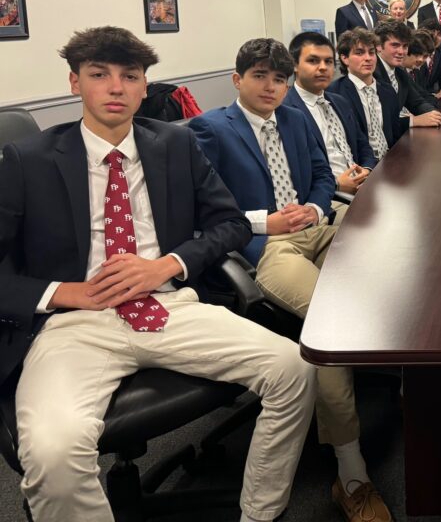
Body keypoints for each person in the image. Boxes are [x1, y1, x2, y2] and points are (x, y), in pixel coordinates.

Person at [0, 26, 315, 522]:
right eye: (99, 75)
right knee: (53, 453)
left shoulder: (175, 143)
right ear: (74, 82)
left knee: (295, 368)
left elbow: (230, 223)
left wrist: (167, 265)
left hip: (168, 305)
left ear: (145, 87)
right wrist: (65, 292)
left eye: (130, 76)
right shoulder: (29, 160)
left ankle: (259, 513)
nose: (115, 87)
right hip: (75, 324)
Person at [189, 39, 394, 521]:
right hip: (265, 246)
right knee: (331, 325)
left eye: (279, 79)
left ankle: (414, 382)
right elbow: (199, 213)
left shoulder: (297, 117)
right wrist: (266, 222)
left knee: (399, 258)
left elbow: (323, 177)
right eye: (260, 76)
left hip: (318, 227)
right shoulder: (210, 129)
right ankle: (351, 470)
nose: (272, 87)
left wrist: (317, 207)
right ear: (237, 79)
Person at [284, 32, 375, 200]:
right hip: (330, 196)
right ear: (295, 65)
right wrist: (336, 184)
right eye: (313, 61)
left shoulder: (340, 102)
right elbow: (293, 174)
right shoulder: (285, 112)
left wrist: (367, 170)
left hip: (364, 186)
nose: (323, 67)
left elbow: (363, 145)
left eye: (328, 61)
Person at [370, 19, 441, 135]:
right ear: (379, 46)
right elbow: (377, 122)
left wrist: (434, 114)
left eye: (405, 46)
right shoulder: (370, 73)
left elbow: (417, 102)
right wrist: (412, 121)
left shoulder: (400, 72)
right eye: (395, 45)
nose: (401, 51)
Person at [329, 29, 395, 158]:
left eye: (372, 52)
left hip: (390, 161)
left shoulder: (387, 91)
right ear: (344, 58)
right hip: (359, 166)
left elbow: (394, 133)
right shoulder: (334, 93)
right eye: (359, 53)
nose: (368, 58)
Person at [417, 19, 441, 98]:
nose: (435, 37)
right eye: (431, 33)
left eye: (439, 34)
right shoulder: (415, 52)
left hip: (432, 97)